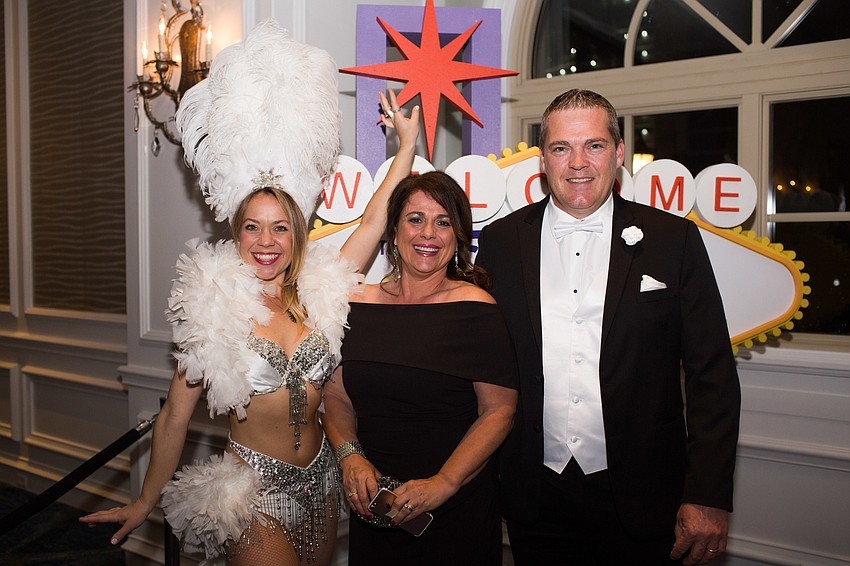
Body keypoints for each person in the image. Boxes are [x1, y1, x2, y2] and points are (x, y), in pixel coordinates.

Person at [79, 20, 419, 566]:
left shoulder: (319, 289)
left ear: (296, 235)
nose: (266, 242)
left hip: (321, 485)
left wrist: (406, 147)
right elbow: (174, 417)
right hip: (252, 495)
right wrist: (144, 502)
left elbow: (376, 220)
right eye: (253, 228)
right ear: (236, 234)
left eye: (280, 228)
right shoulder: (215, 309)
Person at [475, 89, 741, 565]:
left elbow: (713, 375)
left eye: (593, 145)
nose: (578, 162)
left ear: (618, 153)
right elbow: (480, 361)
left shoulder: (673, 240)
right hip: (534, 495)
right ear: (543, 160)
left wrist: (708, 493)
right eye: (561, 148)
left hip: (644, 494)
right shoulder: (500, 242)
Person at [322, 171, 519, 565]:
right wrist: (350, 456)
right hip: (374, 506)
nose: (428, 233)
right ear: (393, 233)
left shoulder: (476, 308)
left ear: (457, 237)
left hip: (455, 510)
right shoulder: (356, 304)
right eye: (415, 219)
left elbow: (499, 410)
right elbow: (336, 396)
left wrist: (443, 483)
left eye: (443, 222)